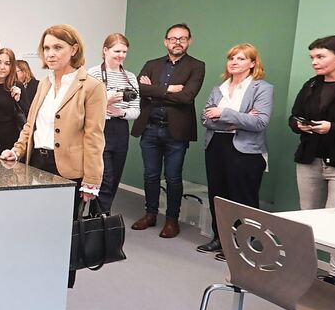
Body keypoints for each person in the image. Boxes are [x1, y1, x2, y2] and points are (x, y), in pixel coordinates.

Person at [0, 24, 106, 288]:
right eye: (46, 48)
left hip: (68, 171)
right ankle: (33, 284)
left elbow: (94, 137)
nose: (51, 53)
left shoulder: (91, 87)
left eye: (58, 47)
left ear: (74, 49)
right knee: (33, 228)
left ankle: (56, 290)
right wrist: (17, 149)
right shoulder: (44, 84)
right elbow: (31, 125)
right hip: (37, 166)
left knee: (61, 235)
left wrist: (92, 181)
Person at [195, 43, 272, 257]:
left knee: (242, 199)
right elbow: (205, 119)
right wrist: (237, 119)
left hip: (246, 151)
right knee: (217, 195)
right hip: (216, 146)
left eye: (240, 58)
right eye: (231, 58)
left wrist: (223, 113)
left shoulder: (262, 88)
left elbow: (260, 123)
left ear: (252, 63)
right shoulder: (218, 88)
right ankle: (219, 238)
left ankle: (241, 245)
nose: (234, 62)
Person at [130, 23, 206, 239]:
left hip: (176, 132)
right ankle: (150, 214)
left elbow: (187, 97)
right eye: (173, 38)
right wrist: (168, 89)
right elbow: (138, 89)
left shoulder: (196, 66)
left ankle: (172, 219)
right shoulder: (152, 64)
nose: (177, 42)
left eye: (182, 38)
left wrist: (154, 91)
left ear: (189, 41)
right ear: (166, 42)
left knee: (173, 177)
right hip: (150, 129)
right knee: (151, 175)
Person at [289, 35, 335, 285]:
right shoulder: (311, 85)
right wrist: (299, 125)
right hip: (309, 160)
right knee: (307, 217)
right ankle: (304, 270)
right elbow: (294, 116)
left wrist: (332, 127)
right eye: (312, 57)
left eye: (321, 56)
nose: (314, 62)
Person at [87, 33, 141, 214]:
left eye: (124, 52)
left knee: (115, 177)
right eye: (117, 51)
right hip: (99, 128)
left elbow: (136, 109)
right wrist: (106, 102)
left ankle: (101, 217)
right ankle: (99, 216)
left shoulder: (130, 78)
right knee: (105, 178)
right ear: (105, 50)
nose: (121, 55)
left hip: (120, 129)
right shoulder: (93, 74)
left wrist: (122, 112)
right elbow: (84, 107)